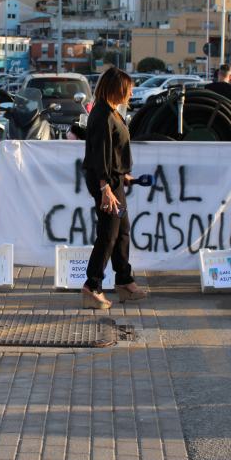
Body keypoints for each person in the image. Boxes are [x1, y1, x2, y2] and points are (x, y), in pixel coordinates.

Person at [82, 66, 147, 309]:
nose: (131, 93)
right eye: (128, 89)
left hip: (114, 180)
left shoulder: (111, 112)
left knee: (122, 232)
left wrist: (122, 175)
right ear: (117, 89)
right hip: (106, 183)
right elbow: (100, 154)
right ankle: (92, 286)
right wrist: (104, 187)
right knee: (109, 234)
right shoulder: (102, 115)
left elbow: (112, 152)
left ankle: (124, 280)